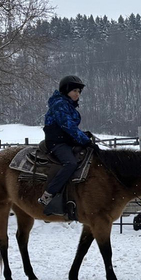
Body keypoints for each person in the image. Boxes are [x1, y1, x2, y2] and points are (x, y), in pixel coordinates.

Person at [38, 75, 99, 214]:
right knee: (70, 163)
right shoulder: (60, 104)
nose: (77, 94)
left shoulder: (67, 105)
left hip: (65, 140)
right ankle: (48, 195)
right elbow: (67, 126)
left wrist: (83, 135)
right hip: (56, 142)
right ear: (66, 90)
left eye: (79, 91)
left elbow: (70, 128)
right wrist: (85, 141)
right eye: (74, 91)